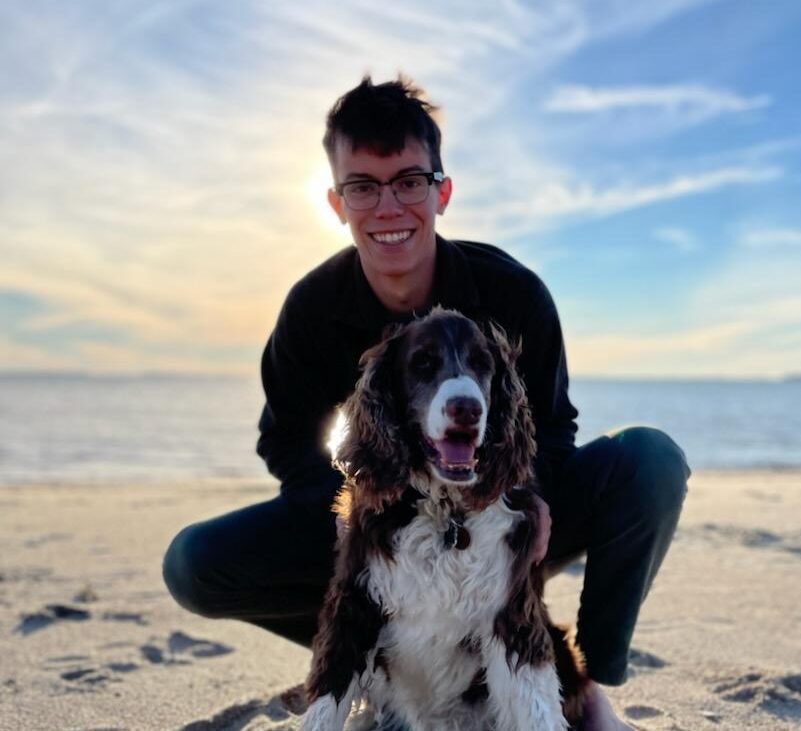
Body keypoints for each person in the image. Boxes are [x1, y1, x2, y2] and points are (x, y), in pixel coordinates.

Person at [163, 75, 690, 731]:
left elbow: (554, 426)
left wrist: (529, 500)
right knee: (195, 563)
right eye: (364, 186)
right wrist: (345, 512)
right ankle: (388, 662)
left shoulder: (513, 293)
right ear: (336, 202)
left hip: (503, 515)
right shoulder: (310, 308)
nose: (389, 206)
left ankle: (590, 688)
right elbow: (288, 440)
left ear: (441, 191)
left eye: (409, 181)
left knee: (651, 461)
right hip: (383, 525)